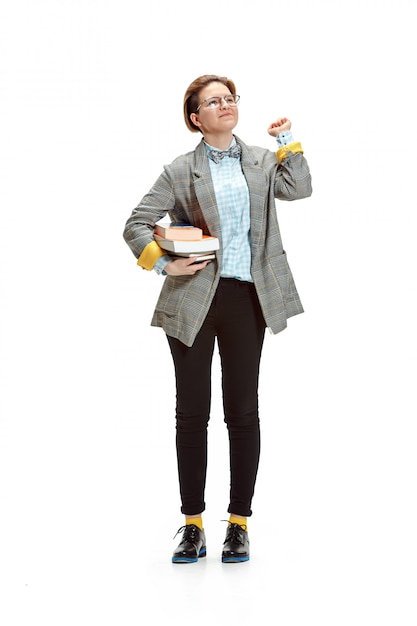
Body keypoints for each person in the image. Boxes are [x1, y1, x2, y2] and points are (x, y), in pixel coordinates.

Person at [123, 74, 312, 564]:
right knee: (192, 413)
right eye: (214, 101)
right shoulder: (180, 170)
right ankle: (191, 525)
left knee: (242, 412)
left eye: (230, 98)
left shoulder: (260, 161)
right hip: (192, 301)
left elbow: (301, 188)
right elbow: (135, 223)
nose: (225, 105)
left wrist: (286, 139)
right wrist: (163, 262)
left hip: (248, 299)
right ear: (195, 117)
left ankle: (239, 524)